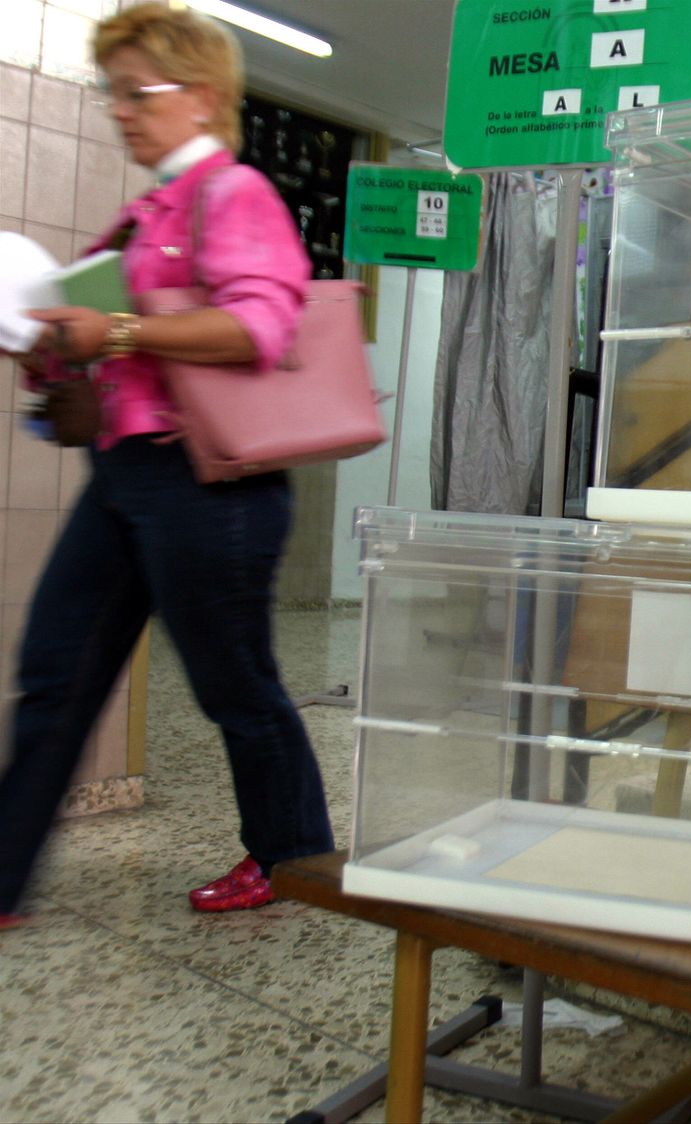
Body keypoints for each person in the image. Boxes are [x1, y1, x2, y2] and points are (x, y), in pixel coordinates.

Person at [0, 2, 334, 928]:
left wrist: (116, 326)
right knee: (56, 670)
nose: (120, 111)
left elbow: (260, 327)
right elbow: (122, 341)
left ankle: (293, 857)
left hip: (210, 485)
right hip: (128, 473)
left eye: (135, 92)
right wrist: (49, 342)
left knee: (235, 683)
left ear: (200, 95)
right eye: (113, 93)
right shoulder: (146, 214)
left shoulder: (235, 194)